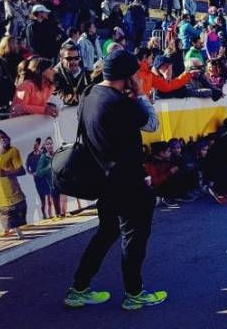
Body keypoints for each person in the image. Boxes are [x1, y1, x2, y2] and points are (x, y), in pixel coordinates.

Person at [66, 50, 166, 310]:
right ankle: (134, 294)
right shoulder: (121, 103)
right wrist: (141, 96)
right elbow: (153, 125)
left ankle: (79, 288)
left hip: (103, 178)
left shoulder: (89, 93)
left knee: (107, 232)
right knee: (134, 236)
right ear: (128, 76)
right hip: (128, 180)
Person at [0, 127, 27, 238]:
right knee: (5, 219)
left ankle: (20, 234)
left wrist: (8, 173)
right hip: (0, 195)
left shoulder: (13, 151)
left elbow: (21, 170)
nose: (1, 140)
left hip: (12, 193)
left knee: (14, 217)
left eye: (2, 136)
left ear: (7, 136)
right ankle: (10, 232)